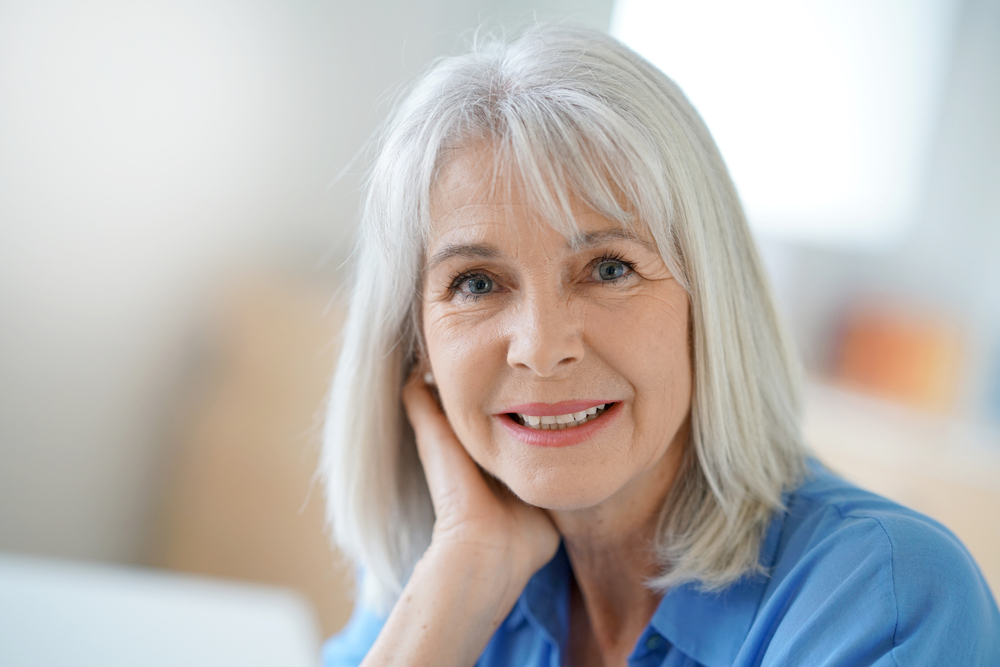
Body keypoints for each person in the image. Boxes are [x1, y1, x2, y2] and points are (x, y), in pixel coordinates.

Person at [319, 25, 1000, 666]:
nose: (541, 346)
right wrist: (462, 571)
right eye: (475, 282)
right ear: (418, 351)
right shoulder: (448, 567)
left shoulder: (886, 601)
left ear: (710, 303)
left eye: (609, 268)